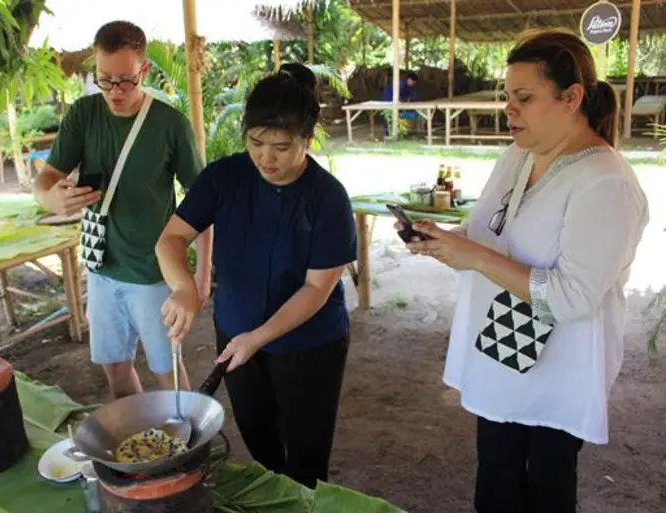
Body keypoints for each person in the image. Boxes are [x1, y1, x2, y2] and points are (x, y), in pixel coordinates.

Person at [402, 29, 649, 513]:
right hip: (504, 350)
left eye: (524, 97)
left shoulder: (605, 182)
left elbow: (573, 297)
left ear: (571, 97)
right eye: (507, 96)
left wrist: (472, 256)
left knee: (545, 497)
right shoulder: (518, 155)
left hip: (558, 370)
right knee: (495, 493)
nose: (508, 110)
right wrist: (445, 237)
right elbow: (487, 230)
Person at [155, 63, 357, 489]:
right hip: (235, 331)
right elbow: (171, 239)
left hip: (308, 344)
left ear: (307, 138)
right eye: (256, 142)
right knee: (261, 446)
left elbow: (317, 288)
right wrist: (183, 288)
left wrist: (258, 337)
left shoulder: (327, 198)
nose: (266, 157)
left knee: (306, 457)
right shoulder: (224, 177)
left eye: (282, 146)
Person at [33, 21, 212, 399]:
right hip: (100, 268)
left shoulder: (170, 125)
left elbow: (203, 203)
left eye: (126, 80)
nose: (115, 91)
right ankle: (140, 439)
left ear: (144, 71)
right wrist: (50, 198)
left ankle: (187, 446)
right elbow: (46, 179)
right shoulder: (83, 114)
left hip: (153, 273)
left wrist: (201, 273)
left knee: (167, 372)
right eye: (105, 79)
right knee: (114, 367)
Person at [381, 70, 419, 137]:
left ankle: (398, 132)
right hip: (389, 97)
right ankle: (387, 133)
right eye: (413, 82)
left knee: (398, 115)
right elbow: (396, 93)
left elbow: (413, 95)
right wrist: (400, 100)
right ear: (409, 79)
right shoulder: (401, 83)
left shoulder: (410, 86)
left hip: (398, 101)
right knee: (387, 114)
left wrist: (410, 99)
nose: (413, 84)